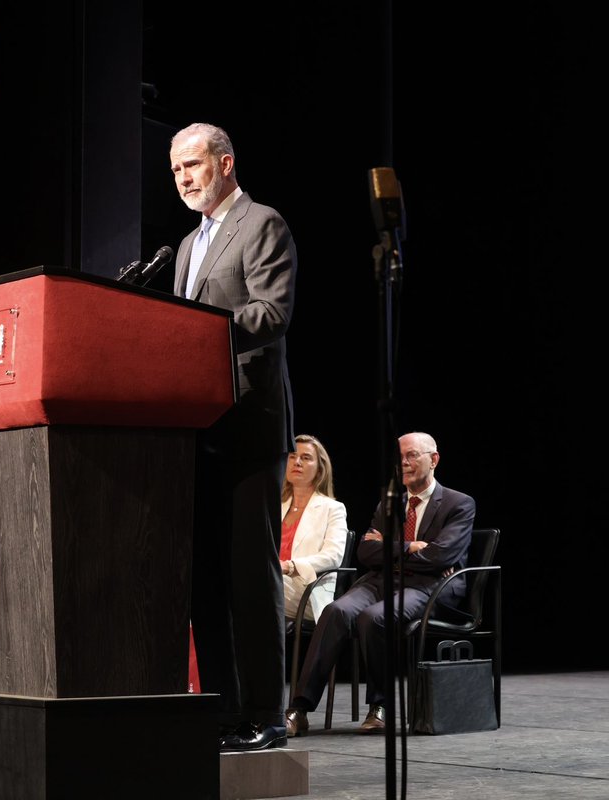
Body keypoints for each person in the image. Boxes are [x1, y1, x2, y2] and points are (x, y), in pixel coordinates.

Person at [169, 123, 297, 751]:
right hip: (199, 430)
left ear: (225, 163)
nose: (184, 178)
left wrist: (193, 327)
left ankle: (267, 716)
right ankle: (222, 711)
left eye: (192, 165)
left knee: (250, 579)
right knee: (206, 582)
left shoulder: (263, 223)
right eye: (175, 171)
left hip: (249, 429)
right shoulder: (188, 246)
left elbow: (271, 314)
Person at [285, 432, 475, 736]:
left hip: (429, 587)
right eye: (399, 458)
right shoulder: (389, 503)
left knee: (374, 617)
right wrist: (412, 547)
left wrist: (390, 547)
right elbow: (365, 551)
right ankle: (300, 708)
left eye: (412, 455)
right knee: (336, 611)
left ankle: (380, 705)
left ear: (433, 459)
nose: (404, 463)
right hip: (380, 581)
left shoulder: (458, 503)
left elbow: (441, 556)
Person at [281, 435, 348, 622]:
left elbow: (333, 556)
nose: (297, 462)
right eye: (292, 456)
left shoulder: (333, 508)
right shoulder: (275, 507)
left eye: (306, 457)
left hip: (307, 590)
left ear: (320, 469)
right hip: (273, 583)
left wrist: (290, 566)